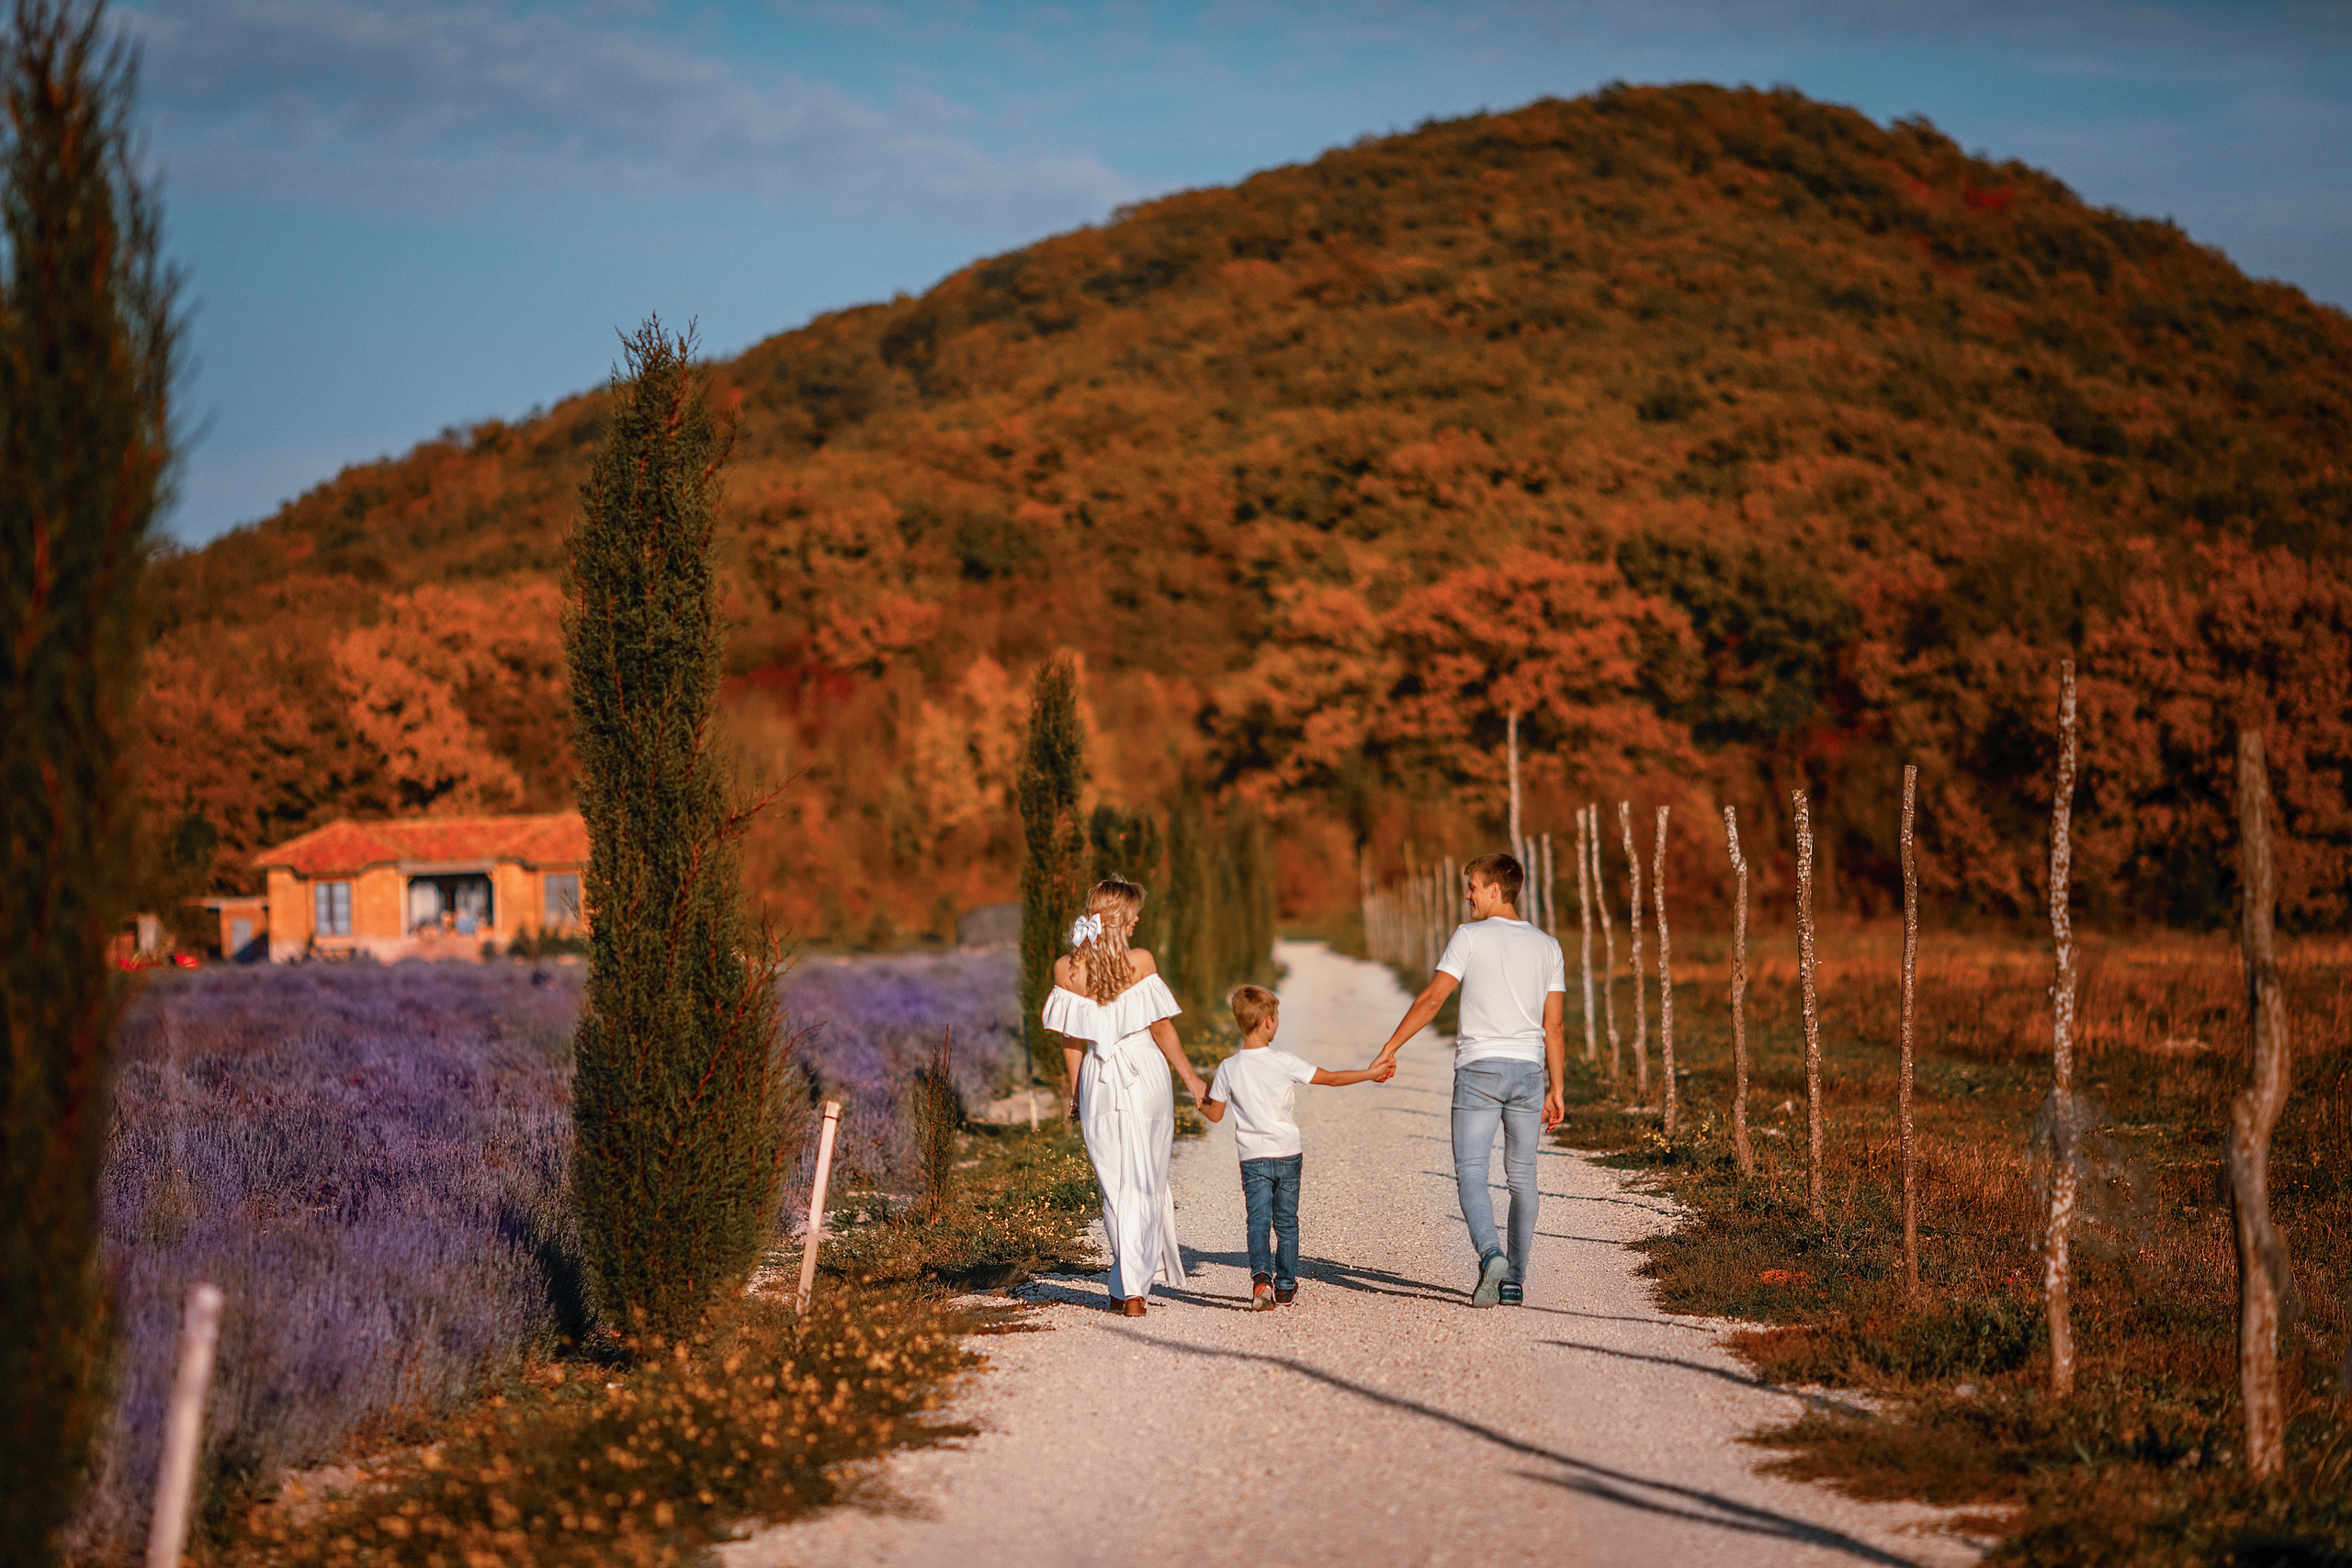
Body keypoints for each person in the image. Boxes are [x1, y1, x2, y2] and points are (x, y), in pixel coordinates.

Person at [1369, 851, 1566, 1308]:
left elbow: (1433, 999)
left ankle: (1490, 1253)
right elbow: (1553, 1025)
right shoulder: (1548, 946)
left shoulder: (1469, 936)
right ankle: (1515, 1280)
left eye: (1473, 886)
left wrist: (1391, 1047)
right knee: (1522, 1178)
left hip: (1479, 1069)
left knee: (1471, 1173)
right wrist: (1557, 1087)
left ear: (1495, 890)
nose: (1468, 895)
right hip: (1529, 1071)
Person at [1042, 876, 1209, 1317]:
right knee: (1147, 1180)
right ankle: (1132, 1285)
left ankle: (1128, 1287)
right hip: (1146, 1074)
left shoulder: (1067, 969)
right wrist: (1191, 1080)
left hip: (1098, 1076)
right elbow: (1160, 1027)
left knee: (1115, 1186)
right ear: (1118, 919)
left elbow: (1072, 1041)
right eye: (1133, 914)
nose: (1138, 922)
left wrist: (1076, 1095)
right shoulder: (1141, 962)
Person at [1199, 984, 1392, 1310]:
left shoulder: (1228, 1068)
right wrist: (1371, 1073)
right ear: (1268, 1022)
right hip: (1288, 1154)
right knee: (1287, 1222)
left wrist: (1200, 1101)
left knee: (1258, 1221)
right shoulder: (1284, 1061)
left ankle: (1262, 1278)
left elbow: (1215, 1115)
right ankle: (1286, 1286)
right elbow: (1330, 1078)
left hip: (1253, 1159)